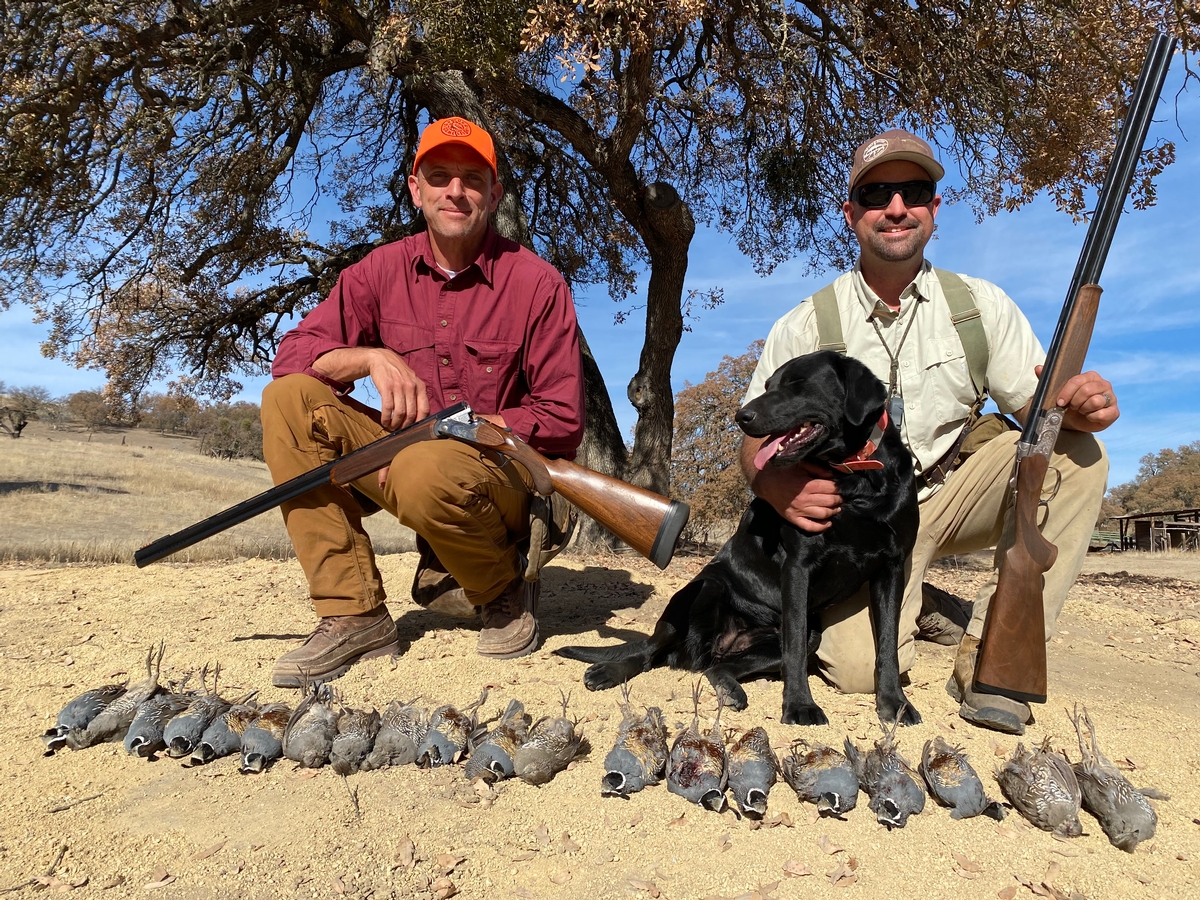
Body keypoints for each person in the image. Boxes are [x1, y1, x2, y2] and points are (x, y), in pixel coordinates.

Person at [740, 129, 1118, 735]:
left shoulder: (980, 305)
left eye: (913, 191)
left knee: (1079, 453)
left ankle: (997, 662)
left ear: (934, 210)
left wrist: (1079, 406)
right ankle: (925, 605)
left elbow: (1043, 418)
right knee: (858, 675)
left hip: (954, 492)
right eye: (876, 194)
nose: (895, 208)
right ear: (850, 213)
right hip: (859, 519)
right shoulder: (806, 323)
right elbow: (754, 438)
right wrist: (773, 488)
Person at [262, 116, 585, 688]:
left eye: (471, 178)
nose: (454, 191)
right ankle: (354, 613)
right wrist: (370, 358)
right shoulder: (377, 270)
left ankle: (503, 586)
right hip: (409, 461)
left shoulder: (538, 284)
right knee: (289, 401)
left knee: (424, 465)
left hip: (502, 477)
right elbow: (293, 355)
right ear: (416, 190)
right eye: (438, 176)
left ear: (495, 193)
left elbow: (560, 420)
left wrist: (473, 428)